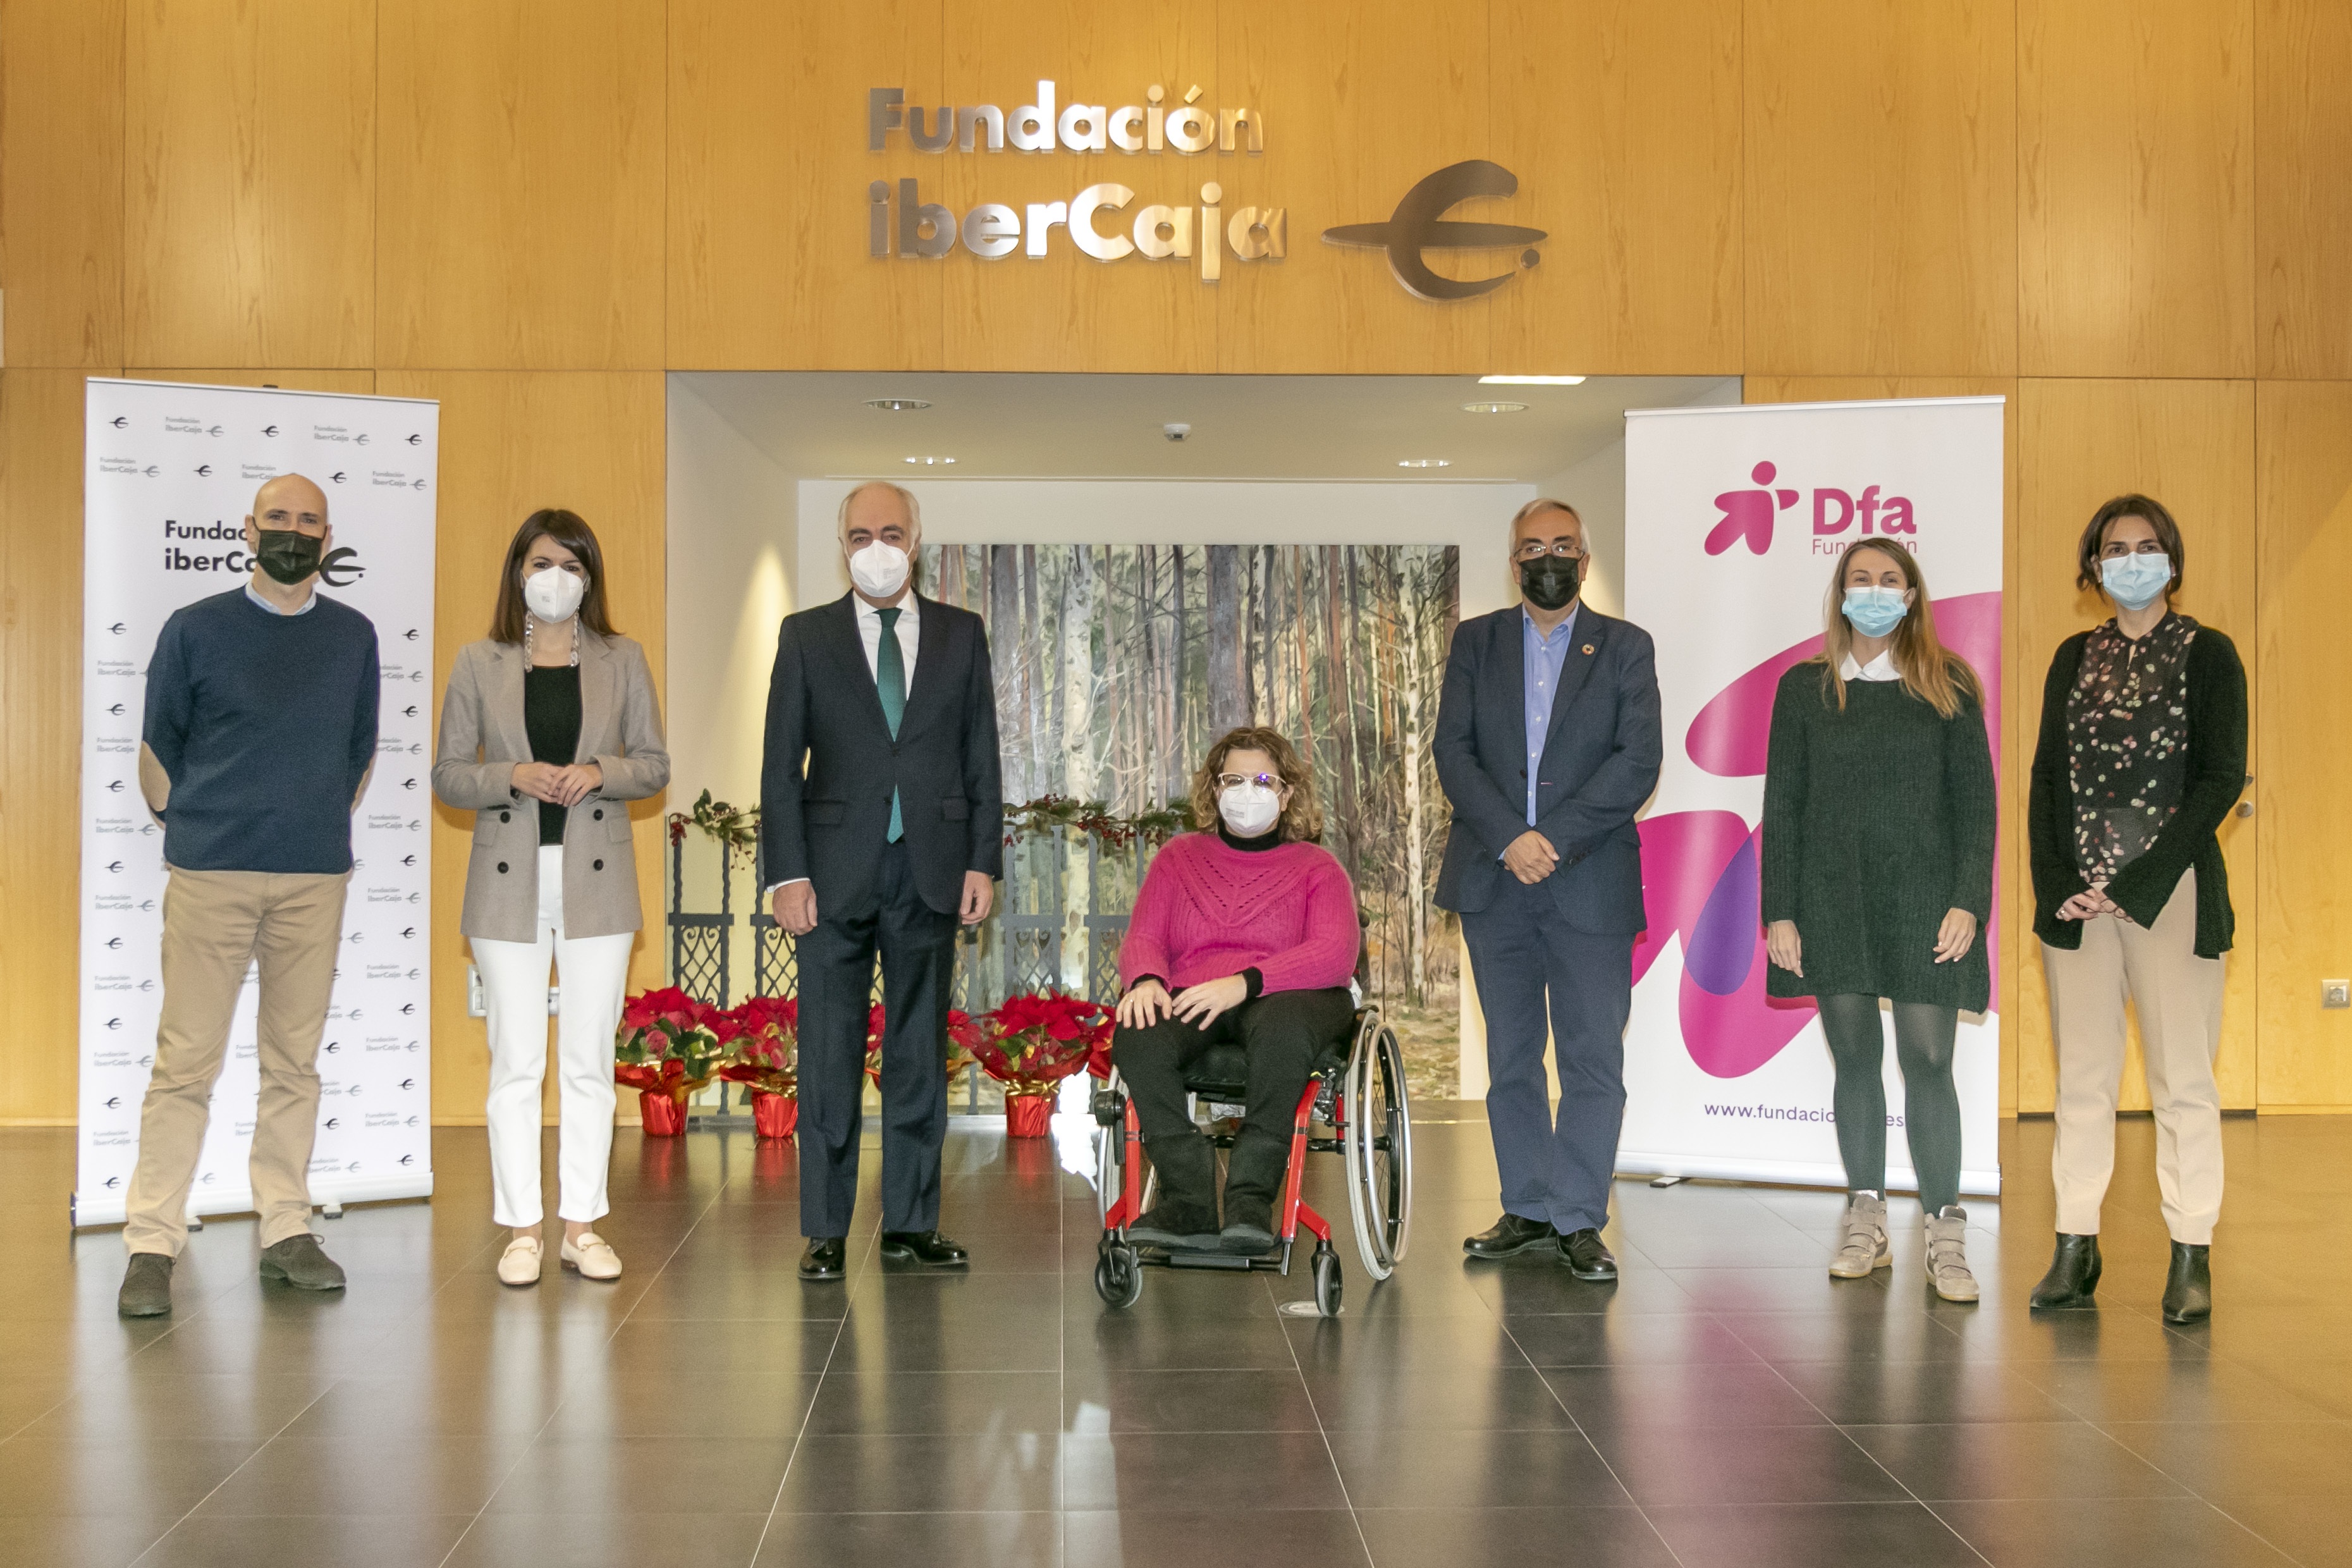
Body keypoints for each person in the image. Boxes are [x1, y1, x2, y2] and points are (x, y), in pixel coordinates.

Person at [117, 474, 379, 1318]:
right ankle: (152, 1241)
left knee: (293, 1064)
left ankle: (286, 1229)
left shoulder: (354, 635)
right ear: (249, 529)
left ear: (327, 536)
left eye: (308, 521)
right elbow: (159, 745)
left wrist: (307, 820)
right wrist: (201, 825)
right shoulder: (194, 627)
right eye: (278, 519)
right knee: (184, 1064)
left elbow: (359, 749)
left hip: (313, 875)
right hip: (212, 873)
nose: (292, 532)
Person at [761, 482, 1003, 1280]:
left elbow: (981, 755)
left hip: (932, 868)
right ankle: (827, 1229)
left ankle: (911, 1222)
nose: (877, 548)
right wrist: (787, 873)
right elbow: (779, 766)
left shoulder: (963, 634)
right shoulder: (805, 636)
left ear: (916, 541)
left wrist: (982, 860)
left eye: (891, 533)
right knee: (829, 1054)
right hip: (830, 876)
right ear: (843, 546)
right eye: (861, 535)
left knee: (917, 1054)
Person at [432, 510, 669, 1287]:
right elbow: (448, 774)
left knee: (589, 1060)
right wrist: (511, 775)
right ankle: (522, 1231)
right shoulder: (478, 660)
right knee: (516, 1062)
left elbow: (654, 763)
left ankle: (582, 1226)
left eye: (570, 564)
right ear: (518, 572)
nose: (555, 578)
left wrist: (600, 771)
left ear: (589, 578)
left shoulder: (622, 658)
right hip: (507, 883)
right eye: (541, 562)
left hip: (598, 882)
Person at [2027, 494, 2246, 1324]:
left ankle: (2191, 1251)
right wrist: (2058, 883)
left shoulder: (2209, 652)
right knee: (2082, 1079)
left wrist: (2139, 882)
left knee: (2182, 1080)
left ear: (2172, 560)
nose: (2131, 561)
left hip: (2171, 890)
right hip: (2080, 898)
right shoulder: (2072, 656)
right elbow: (2047, 777)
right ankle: (2074, 1246)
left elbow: (2220, 777)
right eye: (2114, 549)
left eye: (2146, 546)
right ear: (2094, 566)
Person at [1761, 541, 1995, 1302]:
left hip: (1927, 900)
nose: (1874, 591)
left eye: (1890, 580)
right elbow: (1782, 805)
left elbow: (1977, 805)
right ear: (1840, 592)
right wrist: (1779, 910)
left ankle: (1945, 1231)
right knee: (1855, 1057)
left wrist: (1969, 900)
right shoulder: (1804, 689)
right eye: (1860, 579)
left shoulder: (1949, 684)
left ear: (1912, 594)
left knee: (1929, 1059)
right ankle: (1866, 1217)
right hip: (1832, 899)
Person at [1436, 498, 1662, 1280]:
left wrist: (1553, 839)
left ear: (1585, 561)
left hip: (1589, 879)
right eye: (1532, 548)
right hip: (1493, 877)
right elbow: (1453, 752)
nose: (1548, 559)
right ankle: (1529, 1205)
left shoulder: (1626, 646)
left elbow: (1638, 760)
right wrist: (1511, 836)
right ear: (1514, 563)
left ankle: (1578, 1215)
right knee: (1511, 1057)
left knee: (1593, 1057)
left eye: (1563, 546)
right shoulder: (1476, 641)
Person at [1111, 729, 1361, 1254]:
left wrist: (1245, 983)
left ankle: (1250, 1197)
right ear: (1214, 789)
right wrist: (1146, 979)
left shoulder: (1318, 868)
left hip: (1291, 996)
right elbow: (1145, 936)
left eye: (1264, 780)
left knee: (1282, 1027)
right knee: (1139, 1031)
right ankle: (1187, 1197)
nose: (1249, 791)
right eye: (1234, 779)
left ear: (1287, 794)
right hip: (1196, 991)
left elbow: (1334, 953)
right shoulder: (1178, 858)